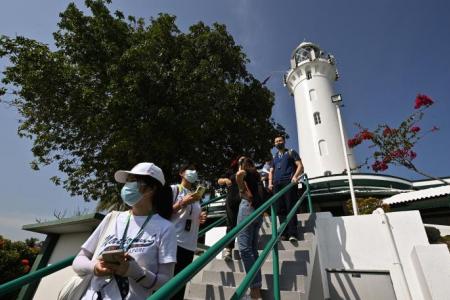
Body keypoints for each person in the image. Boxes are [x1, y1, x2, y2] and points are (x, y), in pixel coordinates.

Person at [72, 162, 177, 300]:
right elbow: (78, 260)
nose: (127, 186)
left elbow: (166, 281)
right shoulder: (112, 218)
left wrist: (134, 271)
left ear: (151, 188)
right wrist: (95, 267)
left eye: (133, 181)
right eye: (127, 181)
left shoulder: (166, 228)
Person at [170, 164, 207, 300]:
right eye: (190, 169)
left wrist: (200, 218)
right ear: (181, 173)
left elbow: (189, 217)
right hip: (174, 243)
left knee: (180, 287)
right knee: (168, 284)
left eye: (195, 170)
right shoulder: (174, 190)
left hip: (189, 245)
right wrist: (182, 203)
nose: (193, 172)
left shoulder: (196, 196)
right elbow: (163, 213)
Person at [236, 157, 263, 299]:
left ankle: (254, 289)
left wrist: (241, 188)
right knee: (253, 250)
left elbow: (239, 176)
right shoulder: (256, 174)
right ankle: (256, 287)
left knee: (245, 249)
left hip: (247, 208)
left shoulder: (245, 171)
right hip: (258, 211)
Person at [268, 135, 304, 242]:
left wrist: (295, 176)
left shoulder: (291, 152)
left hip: (288, 182)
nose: (278, 142)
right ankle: (284, 232)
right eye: (276, 141)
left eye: (280, 140)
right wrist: (270, 183)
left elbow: (300, 165)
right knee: (280, 209)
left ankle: (293, 233)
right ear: (274, 144)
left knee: (290, 207)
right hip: (276, 184)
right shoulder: (274, 157)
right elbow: (271, 171)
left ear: (284, 141)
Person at [217, 158, 241, 261]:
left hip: (244, 202)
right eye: (240, 160)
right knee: (231, 225)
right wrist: (225, 180)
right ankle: (228, 250)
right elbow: (219, 181)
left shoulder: (247, 172)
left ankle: (243, 250)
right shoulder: (231, 171)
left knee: (244, 226)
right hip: (231, 201)